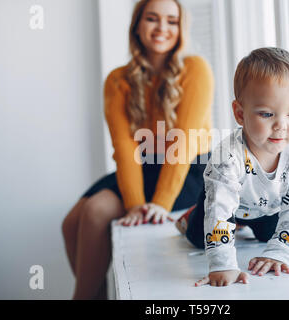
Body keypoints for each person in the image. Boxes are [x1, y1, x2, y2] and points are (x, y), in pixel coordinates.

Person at [62, 0, 213, 299]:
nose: (162, 28)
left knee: (94, 212)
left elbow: (183, 141)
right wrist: (134, 204)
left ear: (181, 27)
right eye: (152, 19)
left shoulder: (195, 69)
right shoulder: (118, 80)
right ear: (137, 26)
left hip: (189, 168)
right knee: (71, 222)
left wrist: (159, 204)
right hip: (144, 165)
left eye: (172, 21)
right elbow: (124, 146)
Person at [176, 47, 289, 287]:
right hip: (224, 202)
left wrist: (278, 253)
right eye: (267, 114)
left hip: (267, 207)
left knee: (267, 237)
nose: (281, 125)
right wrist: (224, 266)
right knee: (199, 238)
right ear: (240, 114)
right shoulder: (227, 155)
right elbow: (220, 211)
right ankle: (190, 215)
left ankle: (245, 225)